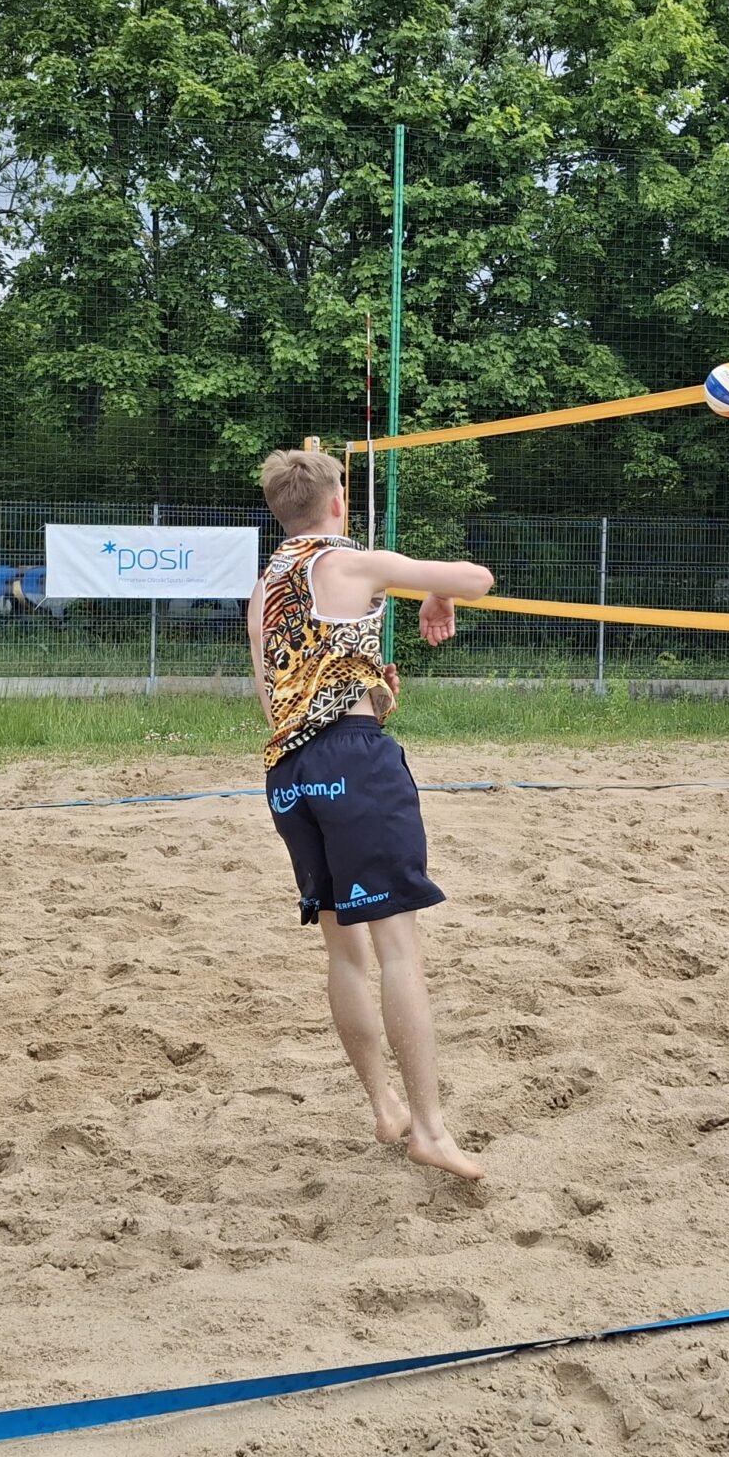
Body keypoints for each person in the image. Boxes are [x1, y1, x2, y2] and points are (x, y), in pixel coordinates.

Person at [248, 448, 494, 1180]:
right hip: (353, 764)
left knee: (344, 955)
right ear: (337, 504)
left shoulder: (265, 588)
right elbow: (477, 578)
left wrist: (364, 691)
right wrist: (435, 593)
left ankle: (386, 1107)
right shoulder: (351, 562)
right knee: (398, 951)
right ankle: (430, 1130)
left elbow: (278, 695)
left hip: (289, 773)